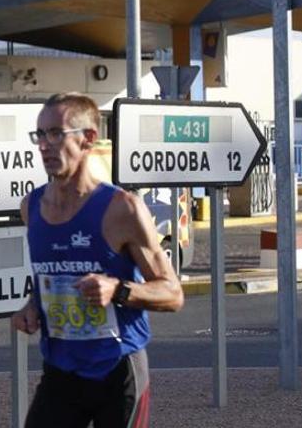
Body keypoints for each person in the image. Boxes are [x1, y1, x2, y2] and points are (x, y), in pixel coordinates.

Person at [11, 92, 184, 428]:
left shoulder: (123, 208)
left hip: (117, 370)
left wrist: (118, 290)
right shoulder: (30, 207)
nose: (44, 145)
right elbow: (48, 278)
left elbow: (172, 293)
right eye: (40, 135)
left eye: (56, 134)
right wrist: (31, 307)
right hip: (60, 371)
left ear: (88, 138)